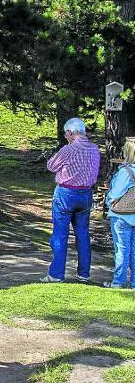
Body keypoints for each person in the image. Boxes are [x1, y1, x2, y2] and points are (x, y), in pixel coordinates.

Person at [41, 117, 101, 283]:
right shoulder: (94, 149)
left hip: (67, 193)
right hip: (86, 194)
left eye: (66, 134)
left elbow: (51, 166)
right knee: (82, 234)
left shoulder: (69, 149)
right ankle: (83, 273)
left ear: (70, 133)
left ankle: (56, 274)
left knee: (60, 234)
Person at [104, 139, 135, 288]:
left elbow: (115, 194)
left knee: (121, 249)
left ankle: (119, 281)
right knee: (134, 250)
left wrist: (108, 198)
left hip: (122, 215)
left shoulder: (126, 172)